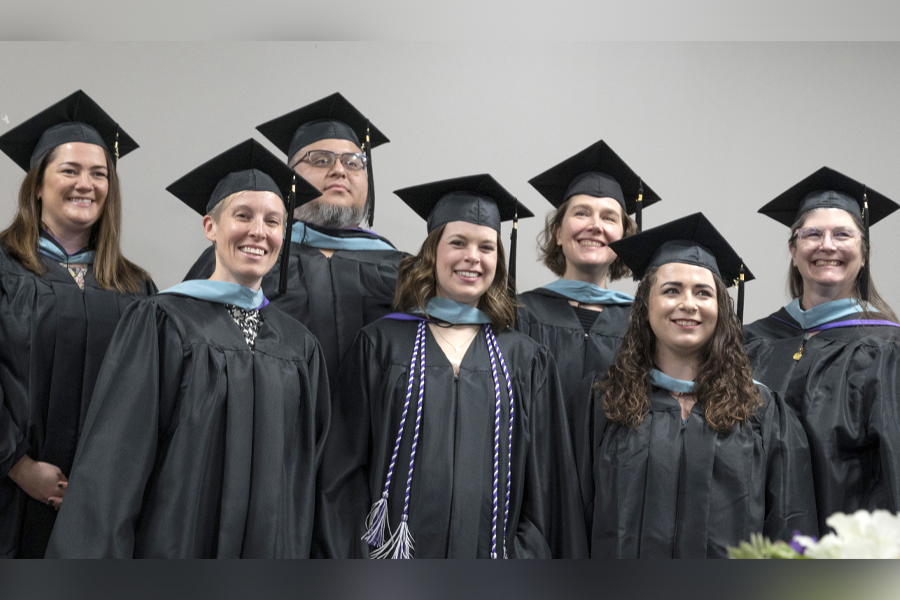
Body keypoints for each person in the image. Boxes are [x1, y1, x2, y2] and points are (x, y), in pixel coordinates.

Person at [46, 139, 330, 558]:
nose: (258, 231)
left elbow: (306, 480)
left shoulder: (299, 346)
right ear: (210, 227)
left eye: (273, 221)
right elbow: (113, 469)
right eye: (243, 216)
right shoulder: (162, 322)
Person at [314, 175, 586, 559]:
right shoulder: (380, 345)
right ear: (433, 253)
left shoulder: (526, 361)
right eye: (457, 242)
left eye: (486, 247)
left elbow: (546, 488)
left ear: (498, 260)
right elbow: (342, 473)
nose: (472, 257)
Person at [572, 213, 816, 558]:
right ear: (645, 306)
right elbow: (570, 524)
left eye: (703, 293)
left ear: (720, 310)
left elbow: (793, 533)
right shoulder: (601, 402)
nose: (688, 304)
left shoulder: (763, 412)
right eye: (671, 291)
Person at [0, 90, 156, 558]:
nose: (85, 184)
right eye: (69, 170)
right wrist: (18, 465)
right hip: (8, 492)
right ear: (39, 183)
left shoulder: (135, 287)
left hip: (102, 502)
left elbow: (146, 398)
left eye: (98, 173)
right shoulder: (5, 269)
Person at [185, 93, 405, 385]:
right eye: (321, 159)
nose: (339, 170)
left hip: (379, 428)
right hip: (268, 422)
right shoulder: (239, 256)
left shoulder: (403, 268)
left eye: (354, 163)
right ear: (291, 178)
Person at [743, 167, 900, 536]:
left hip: (844, 555)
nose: (827, 245)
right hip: (753, 546)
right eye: (812, 234)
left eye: (842, 234)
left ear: (864, 253)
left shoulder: (888, 351)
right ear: (794, 251)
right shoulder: (750, 342)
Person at [518, 140, 661, 413]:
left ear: (625, 238)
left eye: (609, 218)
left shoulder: (642, 324)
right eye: (581, 213)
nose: (595, 226)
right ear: (558, 233)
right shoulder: (522, 315)